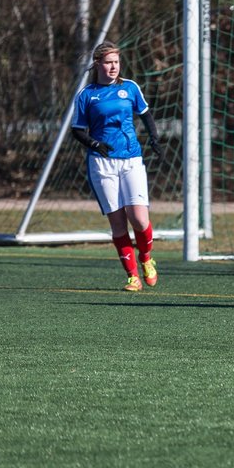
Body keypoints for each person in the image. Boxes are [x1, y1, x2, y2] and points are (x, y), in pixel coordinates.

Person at [70, 41, 166, 292]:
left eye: (116, 62)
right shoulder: (87, 95)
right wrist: (93, 143)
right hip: (101, 164)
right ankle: (132, 276)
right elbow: (77, 130)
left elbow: (145, 114)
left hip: (131, 159)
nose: (113, 67)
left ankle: (146, 258)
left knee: (139, 218)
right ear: (98, 64)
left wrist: (154, 138)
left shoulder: (130, 88)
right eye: (108, 62)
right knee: (118, 223)